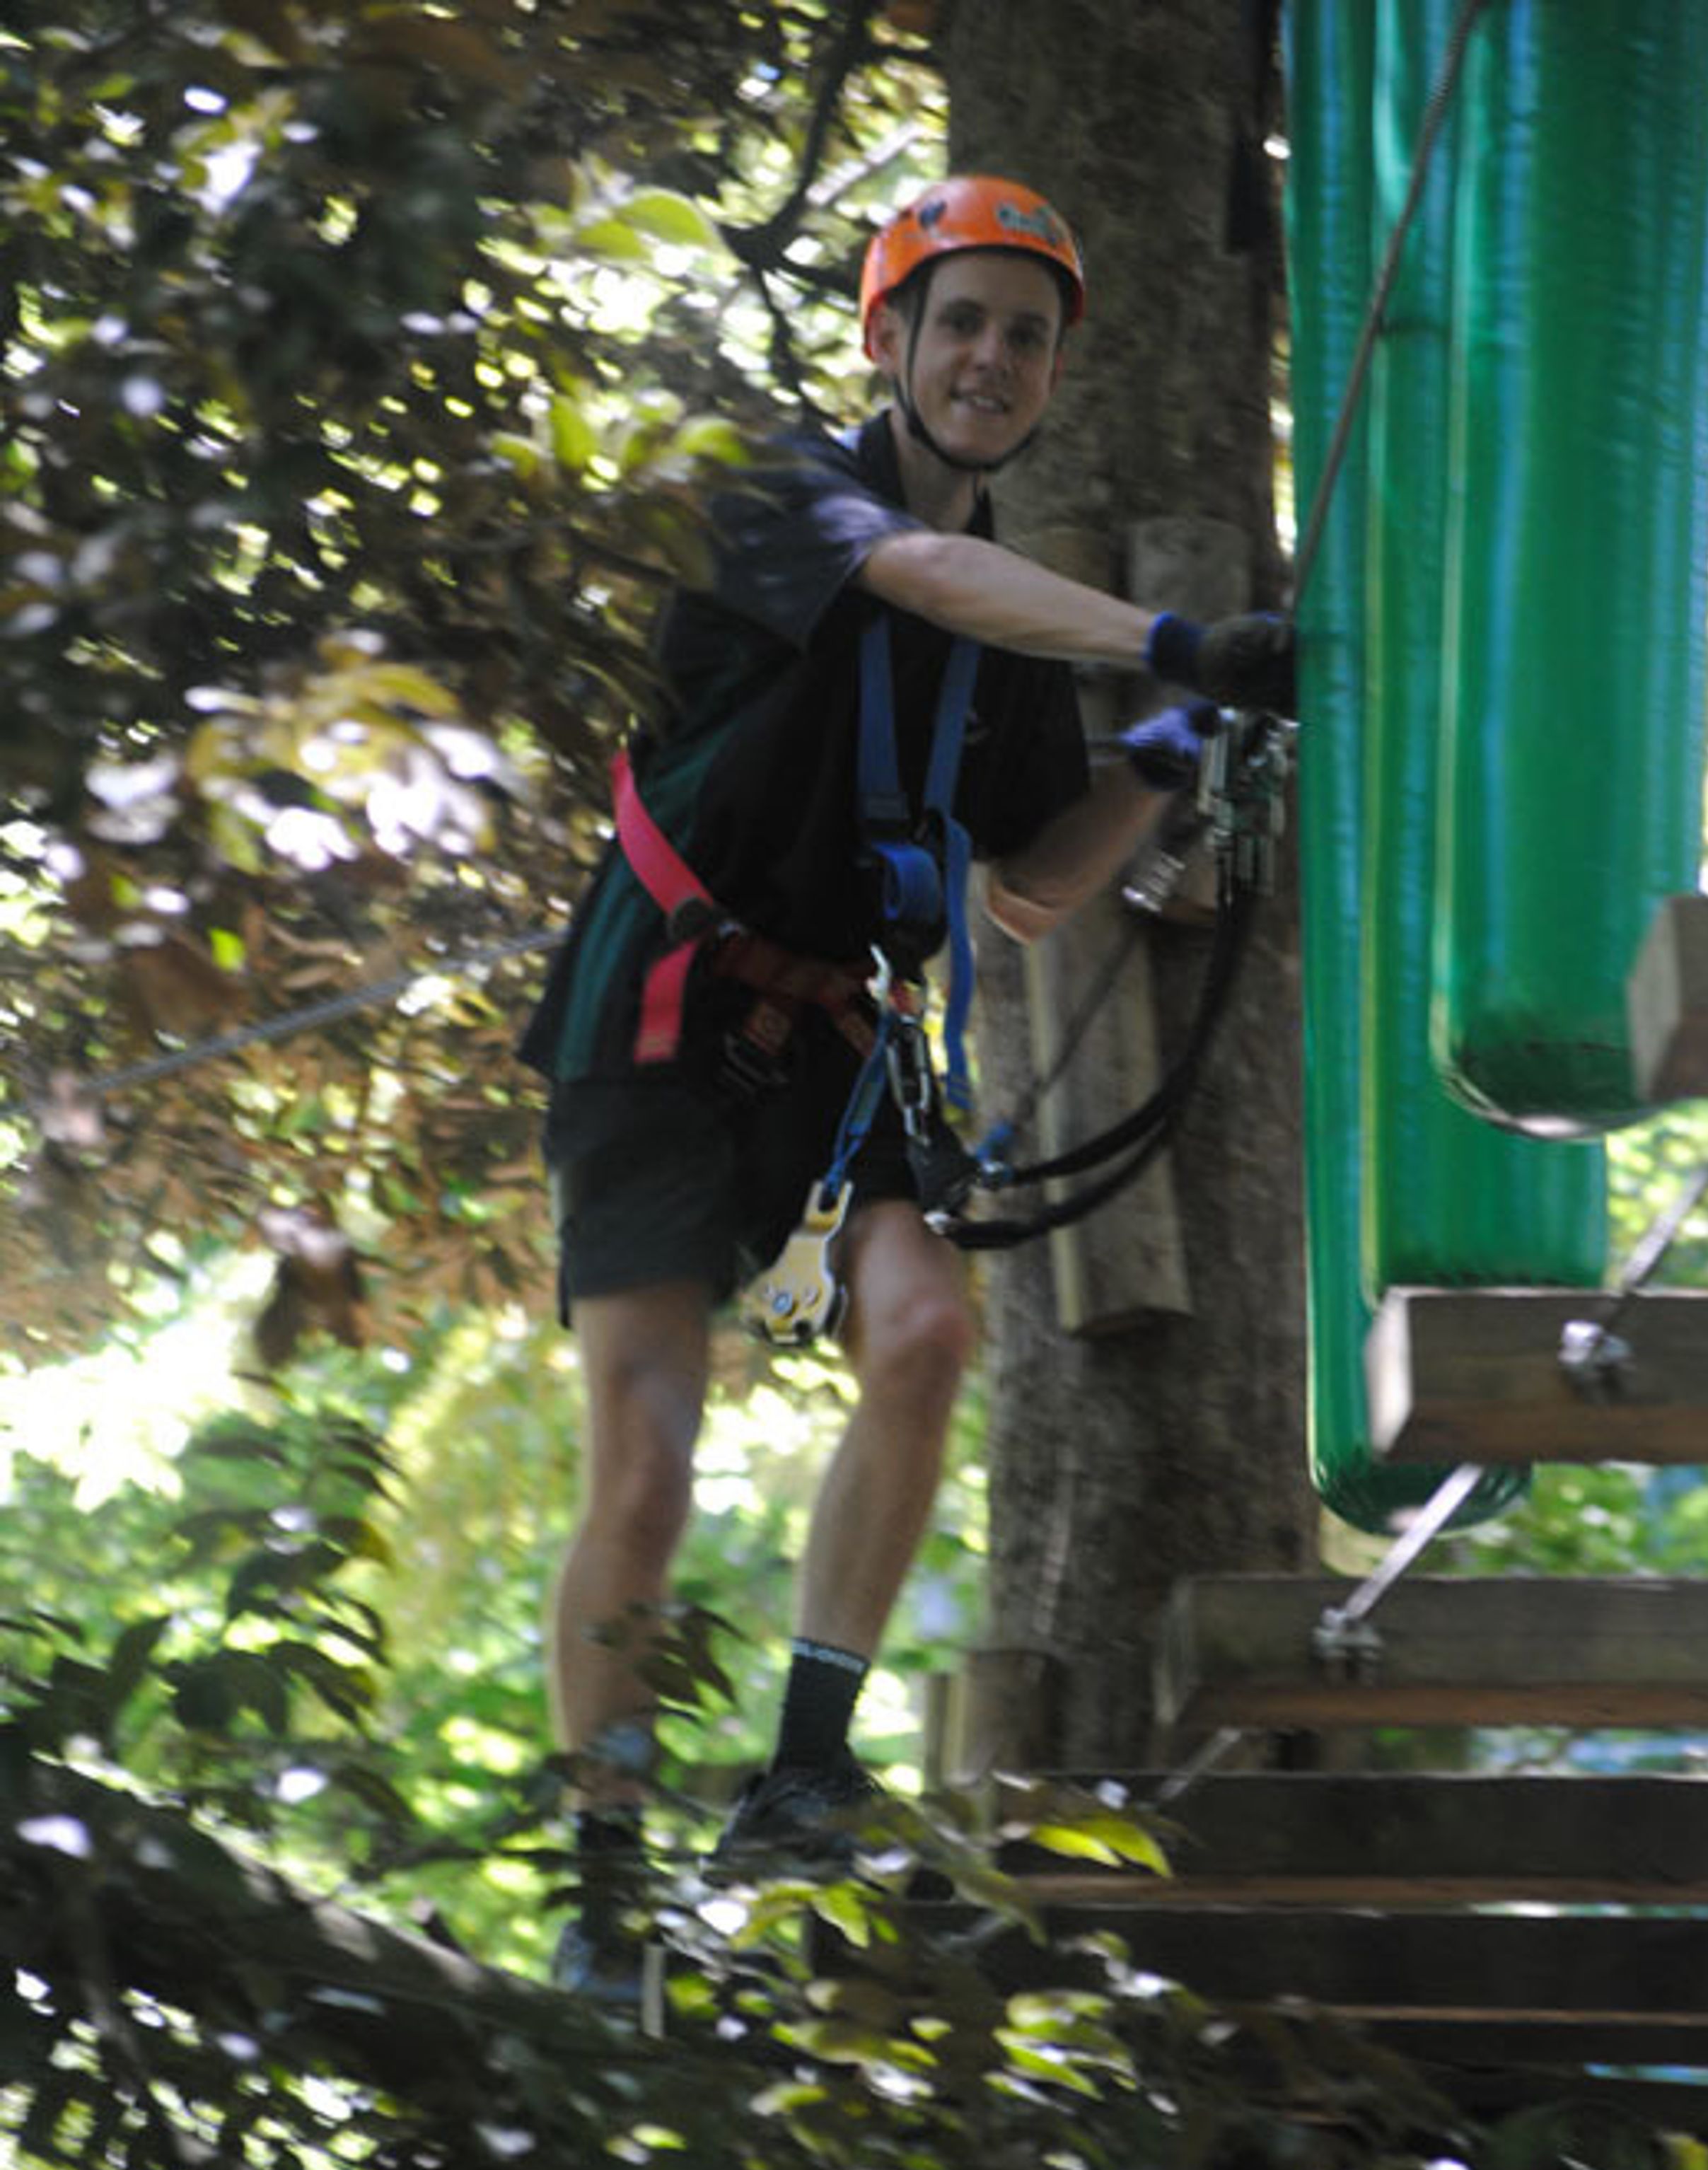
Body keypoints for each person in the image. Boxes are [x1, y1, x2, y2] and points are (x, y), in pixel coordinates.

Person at [518, 175, 1294, 1980]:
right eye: (960, 325)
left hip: (836, 1049)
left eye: (1026, 338)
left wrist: (1172, 746)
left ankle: (801, 1769)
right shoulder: (781, 490)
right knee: (647, 1456)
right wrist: (1174, 641)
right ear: (886, 339)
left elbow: (1023, 888)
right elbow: (924, 573)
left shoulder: (1005, 641)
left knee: (930, 1331)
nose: (990, 361)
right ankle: (603, 1889)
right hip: (662, 1013)